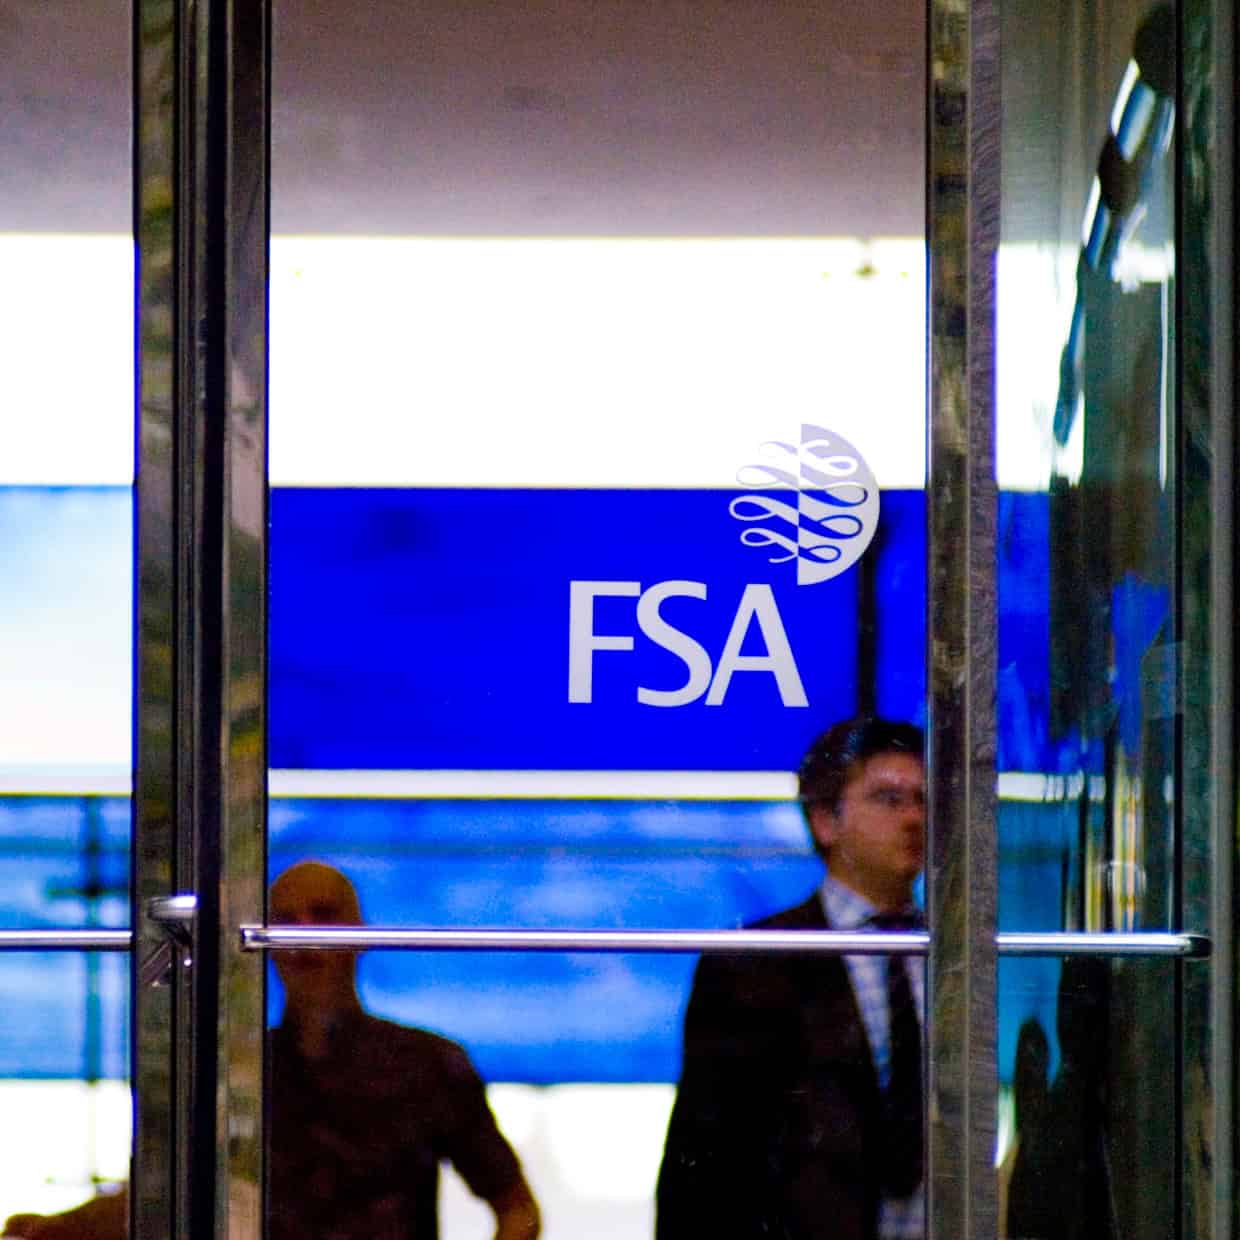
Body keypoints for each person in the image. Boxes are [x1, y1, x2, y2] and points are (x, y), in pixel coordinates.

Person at [5, 861, 540, 1240]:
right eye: (286, 920)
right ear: (264, 943)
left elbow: (517, 1210)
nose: (306, 937)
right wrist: (54, 1231)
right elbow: (157, 1202)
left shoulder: (426, 1066)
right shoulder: (227, 1070)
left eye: (323, 916)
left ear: (357, 934)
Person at [656, 716, 927, 1240]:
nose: (915, 818)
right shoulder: (755, 962)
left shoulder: (960, 957)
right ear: (826, 820)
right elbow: (702, 1161)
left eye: (924, 799)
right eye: (889, 799)